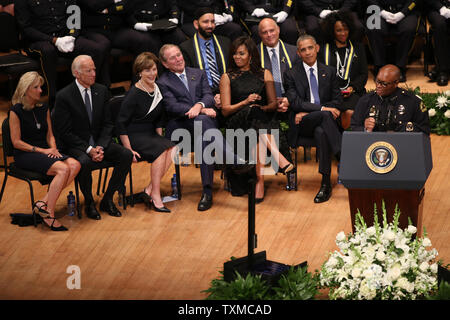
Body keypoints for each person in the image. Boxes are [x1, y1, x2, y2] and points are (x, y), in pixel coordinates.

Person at [158, 44, 242, 211]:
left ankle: (207, 192)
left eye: (179, 54)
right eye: (173, 58)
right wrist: (200, 108)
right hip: (180, 126)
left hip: (203, 126)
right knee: (204, 122)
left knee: (204, 135)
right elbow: (172, 107)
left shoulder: (198, 73)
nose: (178, 59)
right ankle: (232, 160)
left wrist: (201, 104)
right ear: (165, 63)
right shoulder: (163, 82)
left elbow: (208, 95)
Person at [53, 55, 133, 220]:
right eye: (88, 70)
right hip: (76, 144)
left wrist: (100, 147)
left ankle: (108, 198)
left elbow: (108, 124)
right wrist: (89, 149)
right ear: (76, 73)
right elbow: (65, 132)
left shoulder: (102, 90)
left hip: (99, 142)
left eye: (94, 69)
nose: (93, 73)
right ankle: (89, 202)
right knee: (84, 162)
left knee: (126, 155)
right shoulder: (64, 96)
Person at [220, 36, 294, 203]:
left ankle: (259, 181)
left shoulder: (264, 73)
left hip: (261, 118)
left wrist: (261, 108)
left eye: (241, 54)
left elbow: (273, 104)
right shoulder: (227, 77)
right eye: (234, 54)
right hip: (237, 122)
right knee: (253, 115)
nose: (236, 57)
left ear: (251, 55)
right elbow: (225, 110)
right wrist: (246, 102)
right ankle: (278, 159)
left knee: (256, 124)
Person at [10, 71, 81, 231]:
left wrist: (53, 147)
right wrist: (42, 150)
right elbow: (16, 142)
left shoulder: (43, 108)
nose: (40, 90)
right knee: (63, 169)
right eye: (36, 87)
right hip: (26, 153)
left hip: (45, 150)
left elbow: (50, 134)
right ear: (26, 90)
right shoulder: (16, 111)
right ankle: (49, 213)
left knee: (75, 165)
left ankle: (41, 204)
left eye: (40, 87)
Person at [14, 0, 110, 109]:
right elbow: (26, 29)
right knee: (48, 51)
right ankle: (53, 99)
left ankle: (88, 91)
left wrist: (72, 36)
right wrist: (54, 40)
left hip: (66, 36)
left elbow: (74, 17)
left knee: (97, 49)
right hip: (38, 40)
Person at [284, 35, 343, 203]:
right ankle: (343, 156)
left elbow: (338, 101)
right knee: (324, 116)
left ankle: (325, 185)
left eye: (310, 48)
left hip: (321, 122)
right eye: (303, 50)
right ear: (298, 53)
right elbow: (295, 102)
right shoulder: (290, 74)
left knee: (321, 132)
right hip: (302, 124)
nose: (308, 52)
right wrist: (322, 109)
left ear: (317, 48)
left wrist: (310, 110)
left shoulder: (329, 71)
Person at [116, 52, 176, 212]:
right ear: (139, 72)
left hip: (150, 134)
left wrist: (159, 138)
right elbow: (121, 124)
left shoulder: (157, 89)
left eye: (154, 69)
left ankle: (149, 189)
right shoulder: (133, 94)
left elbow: (159, 118)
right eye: (147, 70)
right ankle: (155, 195)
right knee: (159, 151)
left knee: (172, 148)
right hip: (133, 136)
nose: (152, 74)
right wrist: (128, 150)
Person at [180, 7, 231, 124]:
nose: (210, 25)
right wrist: (211, 98)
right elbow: (189, 81)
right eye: (205, 22)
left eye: (212, 21)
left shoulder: (225, 42)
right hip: (203, 97)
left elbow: (232, 71)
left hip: (228, 93)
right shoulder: (186, 48)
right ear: (196, 24)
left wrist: (223, 94)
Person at [319, 10, 368, 129]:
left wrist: (352, 87)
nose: (343, 33)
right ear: (332, 31)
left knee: (349, 112)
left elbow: (363, 74)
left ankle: (345, 143)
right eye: (339, 30)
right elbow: (320, 74)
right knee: (331, 111)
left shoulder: (358, 48)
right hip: (331, 93)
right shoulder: (324, 50)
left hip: (353, 92)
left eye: (345, 29)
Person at [351, 64, 430, 134]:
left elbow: (424, 130)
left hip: (403, 146)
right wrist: (365, 129)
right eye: (377, 81)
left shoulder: (412, 101)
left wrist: (404, 129)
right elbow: (354, 127)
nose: (378, 86)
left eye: (384, 84)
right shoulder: (366, 100)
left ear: (396, 83)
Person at [365, 0, 419, 82]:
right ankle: (379, 67)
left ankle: (400, 67)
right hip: (378, 10)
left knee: (408, 29)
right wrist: (382, 12)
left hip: (406, 11)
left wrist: (402, 13)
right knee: (374, 27)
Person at [297, 0, 364, 43]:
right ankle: (321, 59)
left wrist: (343, 10)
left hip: (343, 9)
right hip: (315, 11)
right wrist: (319, 12)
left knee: (358, 27)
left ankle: (353, 58)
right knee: (313, 28)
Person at [178, 0, 243, 41]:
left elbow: (217, 4)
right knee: (201, 35)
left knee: (235, 29)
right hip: (192, 20)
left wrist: (216, 14)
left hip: (213, 18)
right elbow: (186, 6)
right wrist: (209, 12)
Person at [427, 0, 450, 86]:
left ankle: (439, 69)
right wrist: (441, 7)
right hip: (436, 8)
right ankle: (443, 71)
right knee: (440, 25)